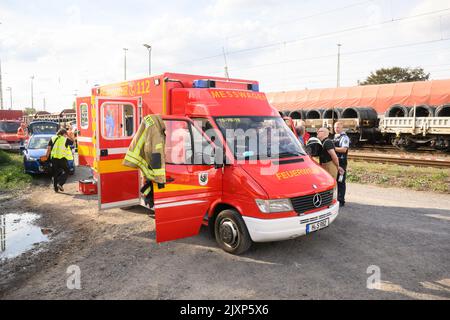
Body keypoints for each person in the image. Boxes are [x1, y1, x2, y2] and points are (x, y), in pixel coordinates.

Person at [45, 128, 74, 192]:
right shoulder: (65, 139)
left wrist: (46, 156)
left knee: (55, 173)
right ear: (63, 134)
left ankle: (56, 189)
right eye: (65, 134)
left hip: (54, 159)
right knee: (67, 171)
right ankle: (60, 183)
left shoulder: (52, 138)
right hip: (62, 158)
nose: (65, 135)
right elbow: (72, 142)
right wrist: (68, 136)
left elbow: (49, 148)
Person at [333, 122, 350, 207]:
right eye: (335, 127)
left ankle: (341, 200)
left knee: (341, 181)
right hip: (335, 162)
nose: (336, 129)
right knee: (335, 181)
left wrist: (332, 148)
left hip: (341, 163)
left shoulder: (344, 137)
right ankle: (336, 199)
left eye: (338, 127)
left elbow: (344, 150)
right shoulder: (336, 136)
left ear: (342, 128)